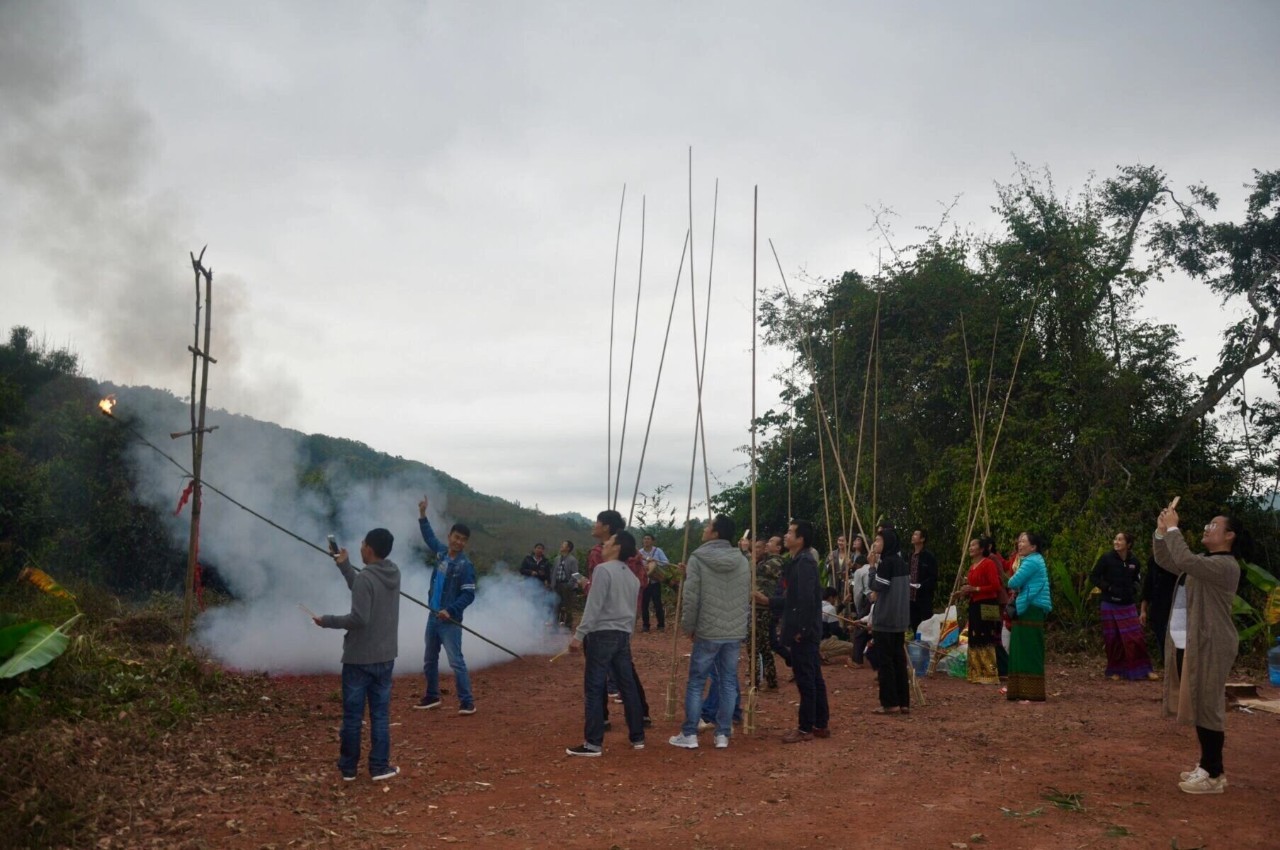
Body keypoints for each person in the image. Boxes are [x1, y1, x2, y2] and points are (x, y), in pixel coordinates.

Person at [1154, 507, 1244, 795]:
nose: (1207, 528)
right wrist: (1160, 532)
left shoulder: (1225, 565)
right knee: (1199, 702)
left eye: (1213, 525)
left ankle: (1214, 773)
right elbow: (1168, 559)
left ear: (1229, 536)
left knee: (1208, 705)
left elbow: (1183, 558)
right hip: (1192, 642)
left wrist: (1173, 529)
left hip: (1211, 643)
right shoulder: (1204, 561)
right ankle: (1206, 766)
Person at [313, 528, 401, 781]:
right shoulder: (393, 572)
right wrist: (345, 567)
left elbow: (359, 617)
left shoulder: (366, 578)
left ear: (369, 549)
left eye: (362, 544)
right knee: (380, 715)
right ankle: (379, 767)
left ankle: (348, 768)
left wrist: (326, 620)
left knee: (352, 717)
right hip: (385, 656)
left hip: (359, 659)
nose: (360, 547)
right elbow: (363, 590)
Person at [669, 515, 751, 750]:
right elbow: (744, 596)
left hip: (707, 630)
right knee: (727, 681)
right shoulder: (743, 560)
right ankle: (722, 735)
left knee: (696, 681)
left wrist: (689, 626)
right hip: (733, 630)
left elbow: (691, 597)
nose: (704, 529)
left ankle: (690, 734)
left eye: (708, 526)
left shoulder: (698, 557)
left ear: (715, 533)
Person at [565, 530, 646, 757]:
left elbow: (594, 606)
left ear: (617, 547)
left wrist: (578, 636)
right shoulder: (631, 577)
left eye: (609, 542)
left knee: (594, 688)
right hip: (622, 635)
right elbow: (633, 611)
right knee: (627, 686)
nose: (605, 545)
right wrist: (627, 634)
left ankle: (593, 744)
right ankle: (637, 737)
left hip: (601, 635)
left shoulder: (602, 570)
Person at [754, 520, 829, 743]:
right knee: (813, 677)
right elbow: (792, 598)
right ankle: (820, 724)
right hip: (804, 628)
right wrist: (769, 601)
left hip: (804, 631)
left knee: (807, 679)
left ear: (801, 539)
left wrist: (801, 630)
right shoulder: (796, 561)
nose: (786, 536)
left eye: (790, 532)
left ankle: (805, 728)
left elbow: (806, 600)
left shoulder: (804, 563)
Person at [582, 510, 652, 726]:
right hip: (626, 617)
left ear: (607, 528)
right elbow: (643, 582)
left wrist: (585, 585)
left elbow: (596, 594)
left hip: (602, 622)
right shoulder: (636, 556)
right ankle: (641, 715)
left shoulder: (598, 555)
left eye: (597, 522)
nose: (594, 526)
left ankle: (600, 719)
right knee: (625, 671)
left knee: (596, 672)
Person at [414, 496, 477, 714]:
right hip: (433, 617)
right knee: (429, 660)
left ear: (465, 542)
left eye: (463, 540)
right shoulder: (441, 553)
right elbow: (429, 537)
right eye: (456, 537)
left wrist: (450, 610)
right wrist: (423, 515)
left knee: (455, 662)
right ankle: (432, 696)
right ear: (449, 536)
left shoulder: (465, 566)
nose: (459, 542)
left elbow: (469, 596)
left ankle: (467, 702)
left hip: (450, 621)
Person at [1091, 532, 1158, 681]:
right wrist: (1107, 588)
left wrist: (1133, 589)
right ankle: (1115, 670)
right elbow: (1094, 576)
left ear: (1128, 544)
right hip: (1109, 603)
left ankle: (1144, 669)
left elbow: (1137, 579)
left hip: (1127, 604)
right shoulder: (1106, 559)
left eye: (1120, 540)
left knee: (1135, 637)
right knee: (1113, 638)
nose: (1116, 542)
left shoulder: (1134, 561)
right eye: (1115, 539)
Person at [1006, 532, 1052, 702]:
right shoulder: (1033, 560)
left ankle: (1030, 693)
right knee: (1023, 648)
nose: (1019, 544)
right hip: (1029, 606)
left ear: (1033, 547)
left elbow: (1012, 582)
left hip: (1030, 607)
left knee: (1027, 648)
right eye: (1019, 541)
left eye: (1023, 541)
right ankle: (1022, 691)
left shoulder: (1032, 561)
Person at [870, 526, 911, 713]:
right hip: (899, 620)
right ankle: (903, 703)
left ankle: (890, 703)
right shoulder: (901, 562)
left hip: (885, 620)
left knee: (885, 663)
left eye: (878, 541)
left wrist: (872, 568)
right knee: (898, 661)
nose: (874, 544)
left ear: (887, 543)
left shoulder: (886, 563)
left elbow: (878, 586)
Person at [958, 537, 1002, 686]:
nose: (970, 547)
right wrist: (964, 591)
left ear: (982, 549)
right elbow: (972, 587)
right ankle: (976, 672)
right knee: (975, 637)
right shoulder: (972, 567)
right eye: (970, 545)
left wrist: (975, 589)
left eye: (973, 545)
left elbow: (995, 586)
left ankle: (989, 673)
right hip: (975, 604)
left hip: (988, 605)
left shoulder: (988, 564)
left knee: (987, 637)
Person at [1140, 550, 1177, 666]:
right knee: (1161, 636)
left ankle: (1177, 667)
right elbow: (1148, 585)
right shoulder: (1153, 560)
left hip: (1175, 607)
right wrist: (1143, 610)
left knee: (1174, 639)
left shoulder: (1178, 560)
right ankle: (1168, 665)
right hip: (1158, 607)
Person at [908, 528, 938, 633]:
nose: (913, 536)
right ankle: (917, 643)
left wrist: (921, 586)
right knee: (914, 623)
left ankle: (926, 645)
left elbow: (933, 577)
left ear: (922, 539)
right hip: (911, 596)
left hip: (924, 597)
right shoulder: (910, 555)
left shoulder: (928, 557)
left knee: (926, 623)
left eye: (916, 534)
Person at [639, 533, 669, 632]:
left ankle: (661, 625)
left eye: (648, 539)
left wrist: (655, 562)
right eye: (645, 539)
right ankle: (645, 625)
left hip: (655, 581)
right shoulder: (640, 552)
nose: (646, 541)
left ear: (652, 541)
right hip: (644, 582)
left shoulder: (658, 551)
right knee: (644, 604)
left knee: (657, 604)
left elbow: (666, 562)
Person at [551, 540, 579, 631]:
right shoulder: (557, 558)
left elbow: (575, 574)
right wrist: (553, 584)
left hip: (566, 585)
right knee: (556, 606)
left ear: (568, 548)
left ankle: (568, 626)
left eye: (563, 545)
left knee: (568, 607)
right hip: (557, 584)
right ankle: (554, 626)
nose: (561, 546)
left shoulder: (572, 560)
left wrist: (569, 585)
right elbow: (553, 572)